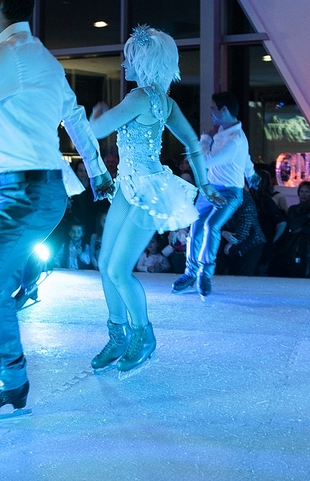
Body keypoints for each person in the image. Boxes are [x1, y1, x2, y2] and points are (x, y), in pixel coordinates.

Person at [0, 0, 112, 443]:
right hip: (24, 193)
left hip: (25, 194)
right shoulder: (42, 59)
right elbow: (74, 115)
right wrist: (98, 171)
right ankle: (14, 383)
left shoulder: (9, 55)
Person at [89, 25, 222, 375]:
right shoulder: (165, 101)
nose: (123, 64)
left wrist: (95, 113)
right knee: (105, 263)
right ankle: (118, 335)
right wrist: (204, 184)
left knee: (117, 268)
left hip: (144, 190)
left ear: (145, 62)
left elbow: (96, 131)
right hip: (131, 186)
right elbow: (193, 144)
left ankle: (142, 335)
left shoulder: (138, 97)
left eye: (129, 58)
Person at [172, 91, 258, 297]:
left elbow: (206, 161)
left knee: (211, 225)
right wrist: (252, 174)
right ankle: (190, 273)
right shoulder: (225, 132)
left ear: (223, 110)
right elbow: (245, 159)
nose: (210, 112)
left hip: (230, 193)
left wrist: (204, 139)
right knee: (196, 226)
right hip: (210, 190)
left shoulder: (235, 139)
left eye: (212, 108)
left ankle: (205, 274)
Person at [282, 181, 310, 278]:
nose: (303, 194)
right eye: (301, 191)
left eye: (306, 192)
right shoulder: (293, 209)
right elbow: (293, 225)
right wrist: (308, 217)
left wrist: (302, 228)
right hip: (294, 245)